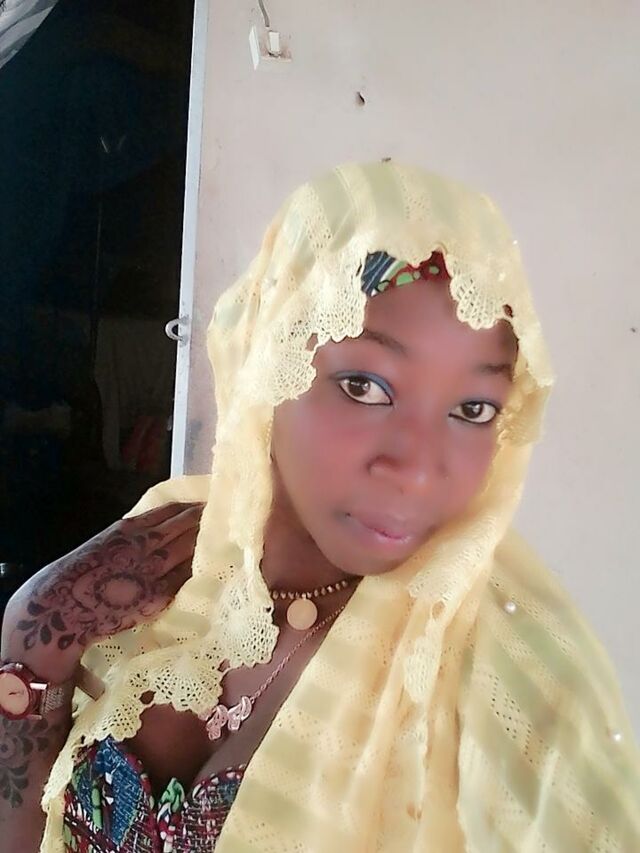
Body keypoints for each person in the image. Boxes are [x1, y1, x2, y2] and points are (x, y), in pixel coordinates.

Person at [1, 161, 638, 851]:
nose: (417, 468)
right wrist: (32, 645)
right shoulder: (172, 550)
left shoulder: (510, 667)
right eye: (365, 386)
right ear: (267, 362)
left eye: (474, 408)